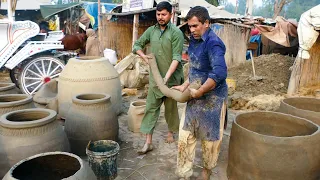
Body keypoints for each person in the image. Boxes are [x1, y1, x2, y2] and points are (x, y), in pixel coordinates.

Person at [172, 6, 228, 180]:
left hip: (213, 99)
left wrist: (202, 90)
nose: (192, 30)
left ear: (206, 23)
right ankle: (184, 173)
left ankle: (206, 173)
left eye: (196, 26)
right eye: (190, 26)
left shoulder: (213, 43)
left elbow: (219, 73)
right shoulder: (195, 41)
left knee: (210, 141)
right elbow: (196, 69)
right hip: (195, 95)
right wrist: (185, 85)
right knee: (185, 137)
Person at [133, 1, 184, 154]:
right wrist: (144, 57)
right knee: (151, 108)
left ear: (171, 14)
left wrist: (166, 79)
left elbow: (176, 58)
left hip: (172, 79)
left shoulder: (176, 33)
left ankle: (171, 132)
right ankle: (148, 142)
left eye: (163, 14)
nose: (160, 17)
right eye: (158, 14)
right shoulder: (151, 31)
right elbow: (137, 45)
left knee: (170, 109)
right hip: (155, 78)